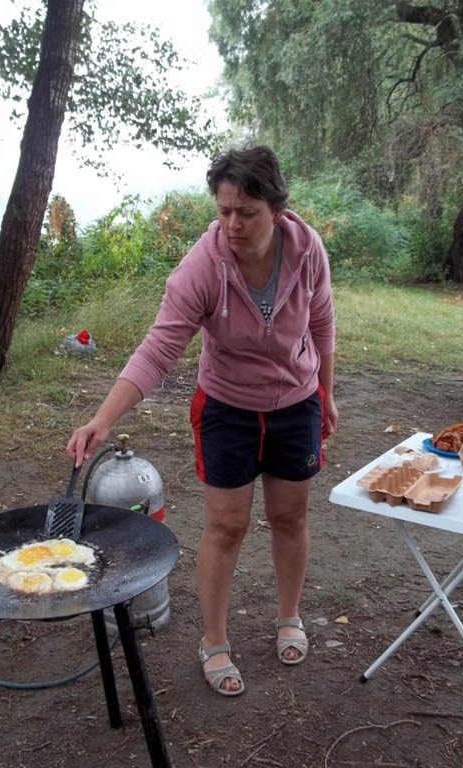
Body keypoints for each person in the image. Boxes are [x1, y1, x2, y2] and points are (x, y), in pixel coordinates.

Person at [66, 146, 337, 697]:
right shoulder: (201, 268)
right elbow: (157, 350)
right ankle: (214, 641)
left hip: (297, 402)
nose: (233, 224)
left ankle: (289, 616)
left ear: (277, 210)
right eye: (224, 211)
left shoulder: (307, 249)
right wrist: (102, 417)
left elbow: (322, 321)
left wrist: (326, 393)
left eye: (247, 213)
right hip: (228, 408)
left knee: (290, 517)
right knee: (226, 526)